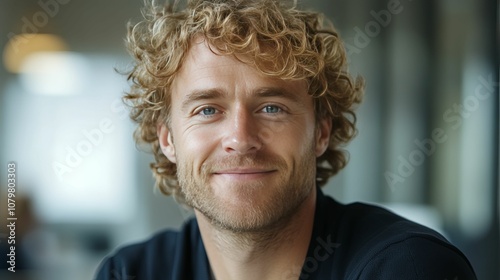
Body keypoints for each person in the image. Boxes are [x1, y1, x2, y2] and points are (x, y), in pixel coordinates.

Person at [95, 0, 477, 279]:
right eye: (207, 110)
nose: (240, 139)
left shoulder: (407, 268)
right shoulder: (128, 273)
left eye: (272, 108)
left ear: (321, 132)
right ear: (168, 139)